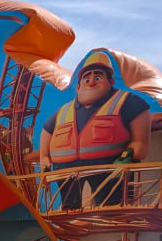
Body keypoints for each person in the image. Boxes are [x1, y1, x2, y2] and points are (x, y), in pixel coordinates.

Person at [39, 50, 152, 209]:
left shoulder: (127, 102)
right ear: (78, 86)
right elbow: (47, 131)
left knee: (109, 206)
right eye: (87, 79)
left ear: (110, 81)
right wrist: (44, 159)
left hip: (107, 170)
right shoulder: (64, 110)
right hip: (65, 173)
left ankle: (110, 214)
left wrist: (129, 155)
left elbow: (140, 141)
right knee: (69, 208)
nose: (91, 82)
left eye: (98, 77)